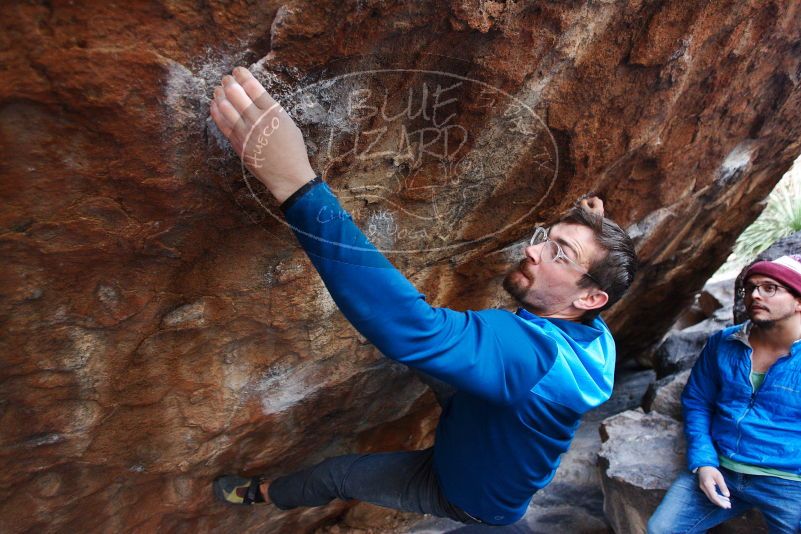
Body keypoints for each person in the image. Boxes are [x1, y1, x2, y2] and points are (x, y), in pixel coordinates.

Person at [208, 66, 638, 526]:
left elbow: (411, 327)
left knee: (342, 472)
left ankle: (258, 492)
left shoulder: (527, 355)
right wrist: (589, 221)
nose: (532, 249)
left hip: (464, 493)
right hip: (483, 416)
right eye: (545, 238)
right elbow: (579, 295)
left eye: (558, 252)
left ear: (591, 298)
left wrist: (296, 185)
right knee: (428, 354)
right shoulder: (593, 334)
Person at [648, 255, 801, 534]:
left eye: (770, 288)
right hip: (722, 466)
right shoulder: (724, 342)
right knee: (661, 529)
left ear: (798, 301)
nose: (754, 294)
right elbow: (697, 401)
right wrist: (703, 460)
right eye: (751, 287)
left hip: (788, 480)